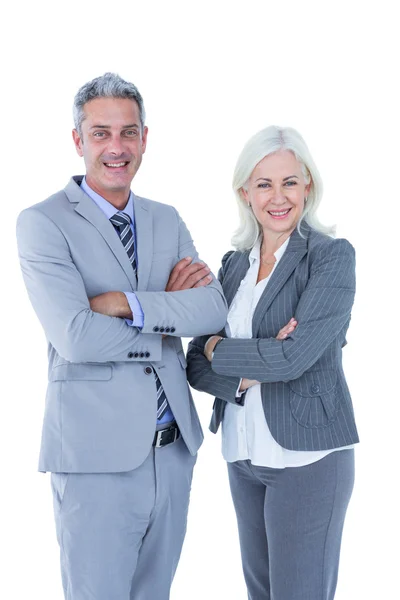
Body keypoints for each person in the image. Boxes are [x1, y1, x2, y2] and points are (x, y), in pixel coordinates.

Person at [16, 72, 227, 600]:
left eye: (128, 132)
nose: (116, 147)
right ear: (78, 140)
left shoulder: (165, 218)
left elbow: (210, 309)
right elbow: (77, 338)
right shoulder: (43, 223)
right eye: (101, 132)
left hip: (172, 453)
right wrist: (166, 322)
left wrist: (126, 304)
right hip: (95, 460)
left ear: (144, 138)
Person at [186, 125, 359, 600]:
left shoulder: (330, 259)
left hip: (307, 459)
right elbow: (195, 364)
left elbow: (294, 358)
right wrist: (230, 357)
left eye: (289, 182)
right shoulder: (233, 265)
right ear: (245, 192)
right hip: (243, 455)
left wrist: (222, 350)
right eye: (264, 184)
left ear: (308, 185)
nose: (278, 196)